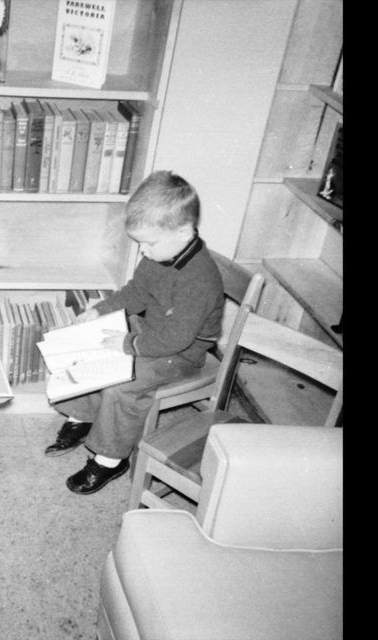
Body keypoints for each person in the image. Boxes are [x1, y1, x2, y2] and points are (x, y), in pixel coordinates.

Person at [45, 171, 225, 495]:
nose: (143, 250)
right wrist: (99, 311)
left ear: (184, 232)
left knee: (122, 387)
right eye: (139, 242)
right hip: (154, 332)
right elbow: (136, 292)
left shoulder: (199, 279)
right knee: (95, 349)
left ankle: (110, 460)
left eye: (149, 242)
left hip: (182, 352)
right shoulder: (161, 254)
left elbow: (176, 339)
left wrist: (129, 343)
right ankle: (86, 417)